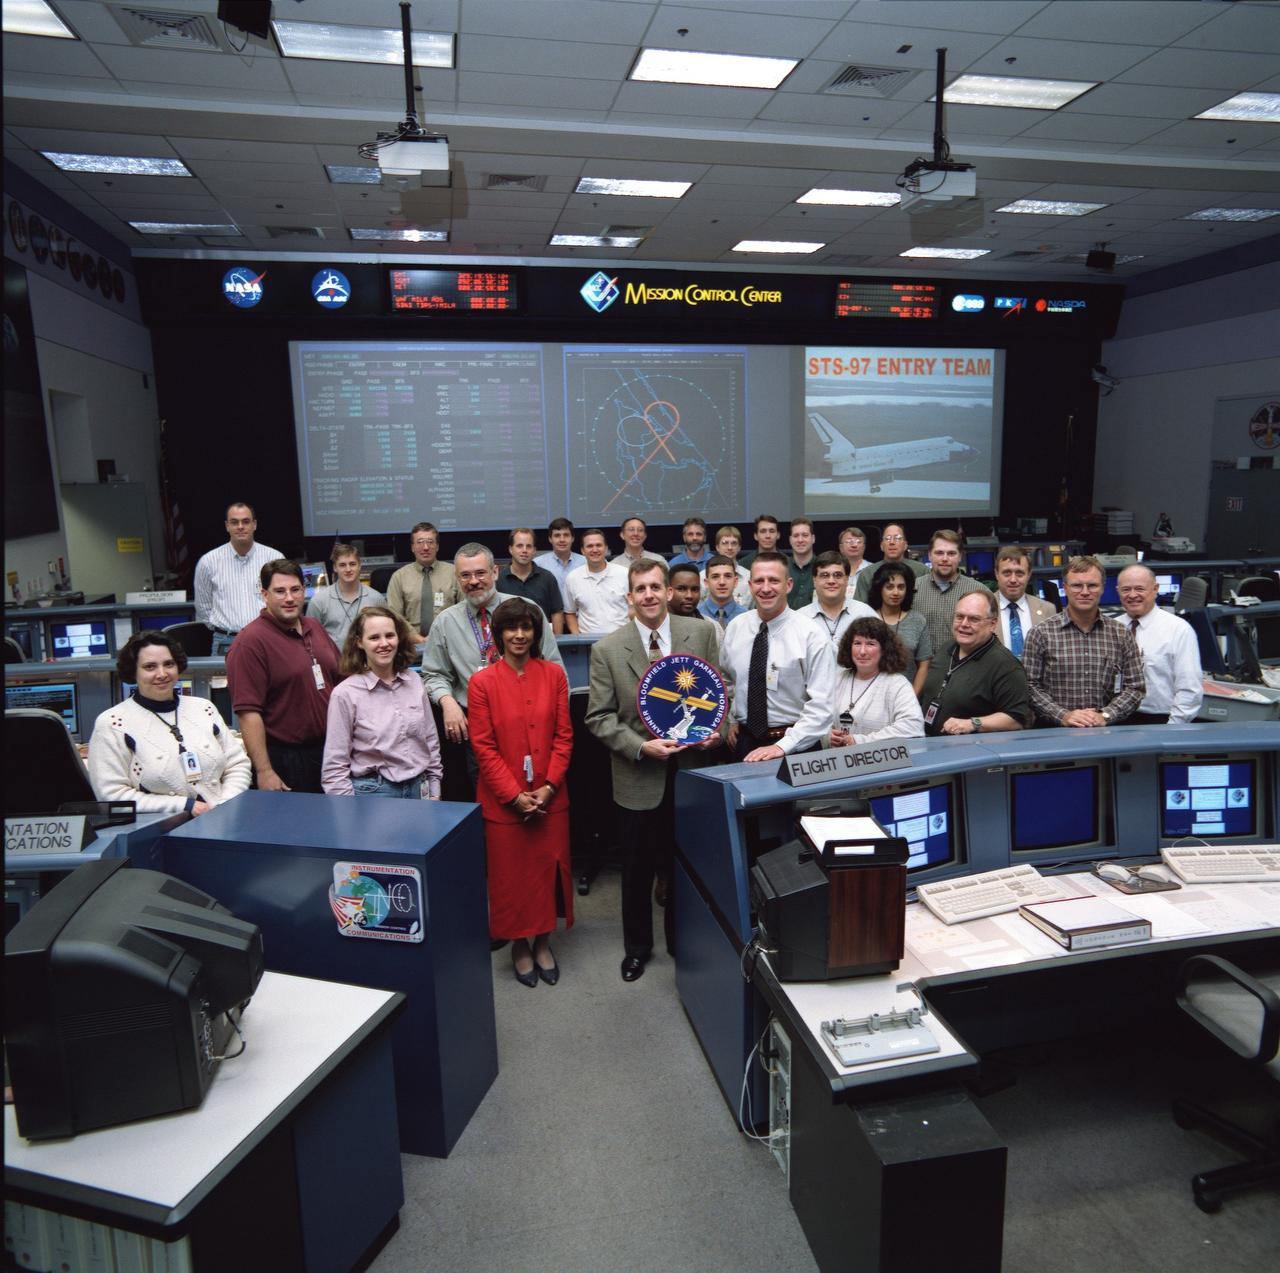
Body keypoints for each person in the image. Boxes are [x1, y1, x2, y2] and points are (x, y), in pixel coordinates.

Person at [585, 560, 728, 982]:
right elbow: (599, 718)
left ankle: (686, 944)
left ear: (669, 592)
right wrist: (640, 746)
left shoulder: (700, 634)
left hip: (693, 773)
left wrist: (716, 732)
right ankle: (637, 949)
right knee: (637, 870)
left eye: (654, 587)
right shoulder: (607, 649)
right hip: (638, 778)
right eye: (639, 589)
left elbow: (720, 693)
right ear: (629, 598)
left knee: (690, 866)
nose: (648, 595)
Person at [468, 598, 574, 987]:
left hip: (551, 798)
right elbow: (483, 746)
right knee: (510, 879)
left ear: (536, 632)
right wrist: (514, 795)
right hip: (503, 803)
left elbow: (564, 737)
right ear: (498, 635)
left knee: (548, 872)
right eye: (510, 628)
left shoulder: (554, 676)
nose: (518, 635)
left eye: (526, 627)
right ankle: (518, 945)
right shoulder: (482, 682)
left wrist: (548, 787)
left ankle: (543, 941)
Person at [422, 544, 564, 788]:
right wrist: (447, 702)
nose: (474, 581)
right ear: (457, 579)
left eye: (480, 573)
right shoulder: (445, 622)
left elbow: (554, 669)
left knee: (535, 785)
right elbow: (433, 675)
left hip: (529, 720)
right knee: (490, 792)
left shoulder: (527, 611)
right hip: (475, 728)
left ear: (495, 572)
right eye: (465, 575)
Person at [89, 631, 249, 815]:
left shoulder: (204, 708)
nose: (162, 674)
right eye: (150, 667)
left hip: (224, 818)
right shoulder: (113, 723)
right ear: (133, 672)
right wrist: (185, 806)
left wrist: (224, 804)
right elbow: (112, 795)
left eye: (169, 664)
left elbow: (238, 765)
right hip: (160, 830)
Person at [226, 559, 341, 792]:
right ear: (264, 594)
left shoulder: (314, 627)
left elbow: (341, 679)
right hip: (288, 761)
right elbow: (248, 713)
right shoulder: (250, 642)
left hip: (331, 752)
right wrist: (264, 771)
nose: (289, 598)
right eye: (280, 591)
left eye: (295, 590)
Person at [722, 552, 836, 762]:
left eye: (774, 580)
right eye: (759, 581)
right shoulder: (736, 628)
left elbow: (822, 706)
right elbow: (728, 681)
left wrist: (782, 747)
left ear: (789, 585)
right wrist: (732, 719)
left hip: (796, 745)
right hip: (745, 743)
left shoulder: (811, 635)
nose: (766, 588)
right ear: (749, 585)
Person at [321, 607, 442, 799]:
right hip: (374, 794)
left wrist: (435, 787)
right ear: (359, 642)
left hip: (420, 789)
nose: (384, 643)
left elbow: (430, 742)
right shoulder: (345, 694)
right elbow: (334, 767)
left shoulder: (414, 682)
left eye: (389, 635)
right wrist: (348, 813)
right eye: (374, 637)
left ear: (399, 638)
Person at [1022, 555, 1145, 728]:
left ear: (1102, 588)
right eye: (1077, 585)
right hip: (1055, 733)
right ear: (1065, 588)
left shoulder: (1121, 634)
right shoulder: (1040, 633)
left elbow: (1135, 687)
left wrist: (1106, 715)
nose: (1085, 592)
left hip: (1107, 732)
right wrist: (1063, 716)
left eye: (1092, 585)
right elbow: (1029, 686)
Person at [918, 590, 1031, 736]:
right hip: (928, 743)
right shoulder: (947, 648)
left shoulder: (1006, 666)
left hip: (971, 752)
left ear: (992, 623)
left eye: (974, 619)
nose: (964, 624)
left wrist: (973, 723)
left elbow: (1016, 720)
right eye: (959, 617)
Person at [1113, 564, 1203, 724]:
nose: (1132, 595)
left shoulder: (1178, 629)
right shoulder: (1111, 627)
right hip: (1114, 718)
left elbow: (1190, 689)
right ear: (1118, 591)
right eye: (1126, 589)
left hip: (1160, 720)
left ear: (1155, 589)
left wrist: (1173, 729)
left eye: (1139, 588)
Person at [194, 502, 282, 655]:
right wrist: (224, 629)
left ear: (254, 525)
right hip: (225, 641)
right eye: (234, 522)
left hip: (267, 638)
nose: (240, 526)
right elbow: (203, 608)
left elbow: (282, 600)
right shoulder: (208, 562)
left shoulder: (274, 558)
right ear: (227, 526)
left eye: (246, 521)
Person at [826, 618, 924, 747]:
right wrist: (826, 736)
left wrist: (860, 741)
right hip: (837, 763)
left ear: (884, 649)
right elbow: (818, 718)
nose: (862, 651)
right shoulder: (838, 679)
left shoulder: (897, 684)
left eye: (870, 644)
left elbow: (913, 727)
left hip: (880, 765)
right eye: (857, 643)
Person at [910, 530, 988, 656]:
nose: (945, 559)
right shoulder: (912, 590)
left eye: (951, 553)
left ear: (960, 556)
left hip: (966, 668)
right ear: (930, 555)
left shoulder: (979, 593)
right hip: (923, 671)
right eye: (939, 553)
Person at [385, 522, 460, 646]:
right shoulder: (399, 577)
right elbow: (394, 615)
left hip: (449, 642)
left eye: (430, 542)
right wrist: (417, 639)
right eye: (420, 542)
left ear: (437, 546)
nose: (425, 547)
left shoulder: (454, 573)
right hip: (410, 645)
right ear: (412, 547)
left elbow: (464, 609)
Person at [867, 561, 933, 697]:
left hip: (907, 697)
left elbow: (924, 665)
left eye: (901, 587)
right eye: (889, 587)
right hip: (869, 697)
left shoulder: (917, 620)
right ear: (880, 588)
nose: (896, 592)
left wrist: (912, 699)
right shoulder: (867, 618)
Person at [306, 542, 384, 648]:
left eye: (352, 564)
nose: (348, 569)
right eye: (342, 565)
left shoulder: (376, 599)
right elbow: (311, 640)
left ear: (359, 565)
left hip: (368, 661)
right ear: (334, 567)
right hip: (334, 663)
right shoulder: (318, 601)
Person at [798, 551, 875, 647]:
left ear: (847, 580)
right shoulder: (800, 619)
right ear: (814, 580)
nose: (831, 581)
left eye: (838, 575)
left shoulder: (865, 614)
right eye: (825, 575)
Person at [497, 527, 565, 634]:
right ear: (510, 549)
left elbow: (557, 612)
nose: (524, 550)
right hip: (509, 644)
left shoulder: (547, 578)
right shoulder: (499, 580)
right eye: (519, 546)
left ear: (534, 551)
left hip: (542, 644)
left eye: (529, 546)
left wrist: (556, 641)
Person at [563, 528, 630, 634]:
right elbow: (569, 613)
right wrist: (577, 637)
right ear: (582, 551)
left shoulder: (624, 574)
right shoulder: (573, 578)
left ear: (606, 548)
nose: (594, 550)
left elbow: (635, 608)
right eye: (589, 546)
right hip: (588, 644)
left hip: (622, 642)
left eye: (598, 545)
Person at [994, 545, 1056, 658]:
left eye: (1019, 573)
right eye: (1007, 573)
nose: (1013, 580)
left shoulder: (1048, 610)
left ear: (1029, 575)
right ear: (997, 574)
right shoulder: (983, 608)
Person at [854, 523, 927, 602]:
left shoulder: (922, 571)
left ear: (905, 545)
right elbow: (860, 607)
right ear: (882, 546)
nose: (892, 542)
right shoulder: (867, 574)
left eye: (897, 538)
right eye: (887, 538)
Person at [534, 517, 585, 596]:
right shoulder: (538, 564)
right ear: (550, 539)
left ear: (573, 538)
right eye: (557, 535)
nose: (562, 539)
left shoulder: (584, 562)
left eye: (566, 535)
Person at [699, 554, 749, 628]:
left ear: (735, 582)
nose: (722, 582)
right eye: (715, 577)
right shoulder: (695, 616)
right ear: (706, 583)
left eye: (728, 576)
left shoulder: (747, 618)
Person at [711, 526, 752, 606]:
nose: (730, 548)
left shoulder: (749, 576)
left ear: (739, 547)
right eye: (725, 543)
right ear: (717, 547)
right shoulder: (703, 576)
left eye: (734, 543)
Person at [786, 517, 816, 609]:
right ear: (790, 540)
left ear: (813, 538)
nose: (800, 540)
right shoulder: (781, 568)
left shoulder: (823, 567)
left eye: (805, 535)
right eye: (796, 536)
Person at [838, 526, 875, 594]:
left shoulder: (873, 570)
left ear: (864, 547)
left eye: (858, 542)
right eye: (849, 541)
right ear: (841, 548)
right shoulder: (834, 570)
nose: (854, 545)